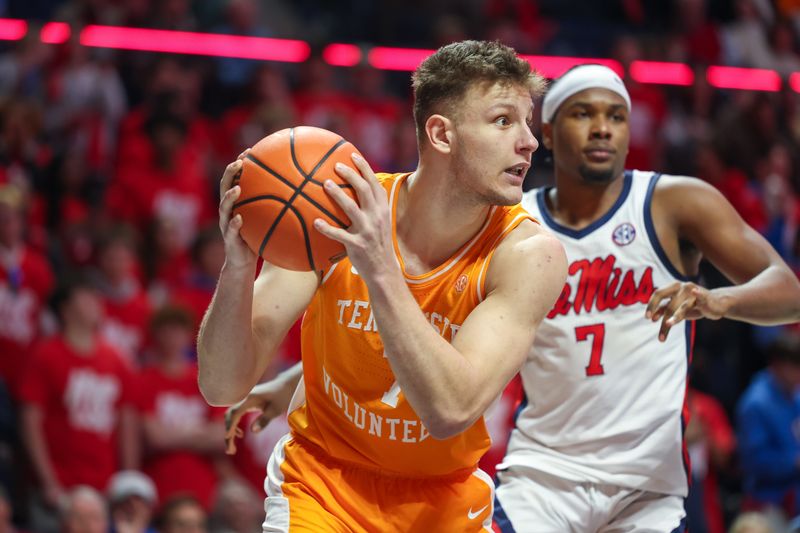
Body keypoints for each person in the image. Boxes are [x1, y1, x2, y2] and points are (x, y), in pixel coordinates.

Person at [198, 40, 567, 532]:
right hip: (322, 486)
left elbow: (450, 409)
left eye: (527, 122)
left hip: (444, 503)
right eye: (504, 121)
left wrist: (379, 267)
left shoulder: (527, 254)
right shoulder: (335, 216)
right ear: (441, 134)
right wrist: (238, 270)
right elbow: (221, 385)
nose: (529, 141)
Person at [491, 64, 800, 532]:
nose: (602, 128)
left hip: (646, 486)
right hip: (542, 475)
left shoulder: (673, 203)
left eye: (616, 116)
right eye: (583, 114)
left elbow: (789, 290)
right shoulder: (513, 221)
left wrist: (720, 301)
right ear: (548, 134)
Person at [736, 333, 800, 521]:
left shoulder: (795, 394)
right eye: (795, 366)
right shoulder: (755, 403)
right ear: (778, 366)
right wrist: (794, 462)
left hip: (795, 500)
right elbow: (752, 462)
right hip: (767, 505)